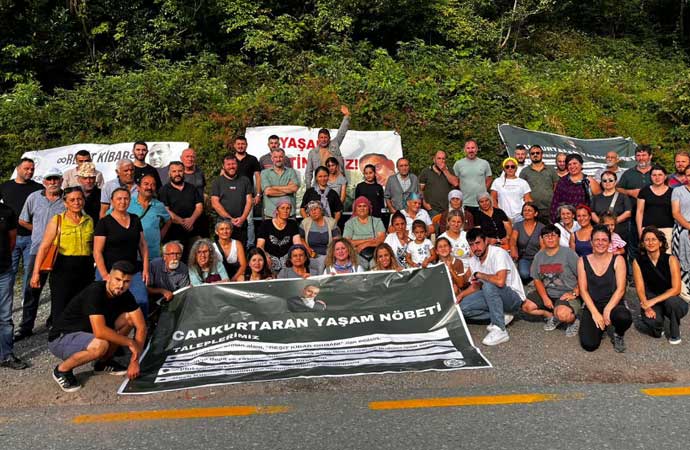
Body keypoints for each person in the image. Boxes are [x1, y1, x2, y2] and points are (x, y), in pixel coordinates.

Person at [48, 261, 147, 392]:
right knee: (101, 344)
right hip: (62, 338)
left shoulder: (126, 295)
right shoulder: (94, 292)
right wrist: (130, 342)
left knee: (129, 319)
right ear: (109, 277)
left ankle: (103, 363)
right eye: (117, 279)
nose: (121, 285)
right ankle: (61, 370)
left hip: (88, 335)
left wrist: (135, 361)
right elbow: (100, 332)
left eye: (126, 282)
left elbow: (141, 327)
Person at [31, 186, 94, 326]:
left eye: (79, 199)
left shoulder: (89, 220)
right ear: (65, 203)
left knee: (83, 304)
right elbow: (44, 247)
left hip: (85, 267)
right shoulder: (57, 220)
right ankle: (57, 337)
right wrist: (36, 273)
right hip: (63, 267)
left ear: (83, 201)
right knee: (61, 305)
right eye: (72, 200)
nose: (76, 202)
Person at [15, 167, 66, 341]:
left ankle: (54, 323)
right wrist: (38, 231)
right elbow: (23, 219)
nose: (53, 182)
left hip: (61, 251)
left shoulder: (67, 200)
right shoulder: (34, 198)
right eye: (49, 179)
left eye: (56, 179)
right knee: (32, 288)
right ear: (44, 182)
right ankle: (26, 326)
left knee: (58, 289)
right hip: (38, 250)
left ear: (61, 181)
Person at [456, 228, 525, 346]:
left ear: (486, 241)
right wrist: (460, 296)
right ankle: (501, 315)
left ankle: (500, 330)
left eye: (478, 243)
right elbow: (475, 286)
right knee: (461, 308)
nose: (475, 248)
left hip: (513, 298)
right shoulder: (474, 260)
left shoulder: (498, 253)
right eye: (471, 245)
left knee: (488, 285)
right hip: (492, 295)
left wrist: (479, 274)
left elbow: (500, 282)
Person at [93, 188, 150, 315]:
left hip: (132, 270)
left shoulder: (135, 219)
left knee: (142, 302)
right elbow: (97, 252)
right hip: (110, 270)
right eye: (119, 199)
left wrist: (146, 269)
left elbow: (142, 245)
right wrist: (105, 275)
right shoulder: (104, 223)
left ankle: (142, 333)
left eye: (126, 198)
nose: (122, 202)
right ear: (112, 201)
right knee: (107, 307)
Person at [578, 225, 632, 352]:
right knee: (589, 345)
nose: (600, 243)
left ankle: (618, 334)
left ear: (609, 242)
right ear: (591, 242)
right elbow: (583, 290)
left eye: (604, 240)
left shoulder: (618, 259)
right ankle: (600, 328)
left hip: (613, 304)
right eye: (597, 240)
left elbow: (621, 289)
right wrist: (595, 313)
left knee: (623, 317)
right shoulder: (582, 261)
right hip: (593, 304)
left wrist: (608, 309)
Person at [523, 225, 581, 336]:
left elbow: (582, 275)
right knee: (526, 306)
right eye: (546, 236)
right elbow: (537, 279)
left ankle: (574, 321)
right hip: (548, 292)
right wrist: (544, 298)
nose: (550, 238)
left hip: (565, 294)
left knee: (563, 315)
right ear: (542, 239)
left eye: (553, 235)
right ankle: (550, 316)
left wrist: (575, 292)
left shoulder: (569, 253)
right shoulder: (539, 256)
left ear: (559, 238)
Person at [633, 226, 688, 344]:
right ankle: (658, 327)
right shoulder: (637, 261)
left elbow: (676, 289)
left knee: (673, 303)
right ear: (642, 244)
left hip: (670, 298)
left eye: (654, 239)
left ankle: (675, 329)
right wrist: (646, 306)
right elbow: (640, 288)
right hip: (650, 298)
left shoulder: (671, 259)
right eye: (647, 240)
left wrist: (652, 302)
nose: (650, 242)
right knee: (653, 324)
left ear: (660, 243)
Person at [0, 158, 42, 305]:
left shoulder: (38, 188)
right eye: (26, 168)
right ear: (18, 169)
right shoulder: (5, 187)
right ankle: (7, 301)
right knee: (8, 272)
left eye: (32, 169)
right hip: (10, 237)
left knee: (29, 271)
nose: (29, 171)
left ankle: (26, 300)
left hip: (31, 237)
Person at [158, 161, 205, 262]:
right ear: (169, 173)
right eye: (174, 171)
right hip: (173, 234)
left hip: (193, 232)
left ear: (184, 172)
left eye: (180, 171)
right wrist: (183, 222)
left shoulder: (192, 188)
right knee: (175, 262)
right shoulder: (164, 190)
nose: (177, 174)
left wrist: (191, 220)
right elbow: (166, 210)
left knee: (195, 261)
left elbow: (199, 206)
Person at [0, 200, 27, 369]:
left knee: (4, 316)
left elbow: (12, 241)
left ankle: (6, 355)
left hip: (3, 271)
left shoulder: (7, 212)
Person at [617, 145, 654, 263]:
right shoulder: (628, 173)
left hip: (654, 216)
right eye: (638, 155)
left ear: (650, 156)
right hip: (632, 216)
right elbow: (618, 188)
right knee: (634, 247)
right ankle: (633, 276)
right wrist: (630, 192)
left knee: (654, 245)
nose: (641, 158)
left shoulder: (657, 172)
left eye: (644, 155)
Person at [211, 154, 254, 246]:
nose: (231, 166)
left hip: (241, 224)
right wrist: (229, 219)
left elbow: (249, 201)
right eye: (228, 164)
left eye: (233, 164)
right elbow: (215, 202)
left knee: (241, 251)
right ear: (223, 166)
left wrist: (242, 218)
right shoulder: (217, 181)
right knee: (222, 252)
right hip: (223, 224)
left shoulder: (245, 180)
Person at [304, 105, 350, 188]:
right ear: (318, 139)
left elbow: (341, 132)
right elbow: (309, 171)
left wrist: (346, 116)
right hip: (319, 184)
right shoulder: (313, 152)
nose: (323, 140)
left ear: (329, 138)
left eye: (325, 137)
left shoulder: (334, 145)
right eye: (321, 137)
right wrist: (308, 187)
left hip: (336, 183)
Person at [127, 174, 170, 259]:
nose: (149, 187)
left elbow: (169, 220)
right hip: (131, 253)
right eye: (146, 184)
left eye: (153, 185)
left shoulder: (159, 205)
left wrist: (160, 236)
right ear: (138, 188)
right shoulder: (127, 202)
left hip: (153, 253)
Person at [550, 153, 601, 223]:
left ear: (581, 165)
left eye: (575, 163)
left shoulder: (589, 181)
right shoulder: (562, 182)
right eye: (569, 164)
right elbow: (555, 203)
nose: (572, 166)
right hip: (565, 221)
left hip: (584, 220)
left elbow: (599, 201)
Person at [230, 136, 262, 247]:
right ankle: (233, 244)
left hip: (248, 196)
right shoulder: (230, 160)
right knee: (232, 221)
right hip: (232, 196)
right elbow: (222, 175)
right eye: (238, 144)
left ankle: (250, 245)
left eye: (242, 144)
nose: (240, 146)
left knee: (249, 222)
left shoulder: (252, 159)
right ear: (234, 145)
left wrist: (258, 194)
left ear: (246, 145)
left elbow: (258, 176)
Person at [257, 199, 302, 272]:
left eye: (288, 208)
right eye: (282, 208)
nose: (285, 211)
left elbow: (297, 244)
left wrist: (295, 256)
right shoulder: (266, 224)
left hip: (287, 258)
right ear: (277, 210)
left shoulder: (292, 224)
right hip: (270, 257)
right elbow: (260, 246)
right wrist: (265, 256)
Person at [452, 139, 493, 219]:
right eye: (468, 148)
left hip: (482, 204)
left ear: (477, 149)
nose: (471, 150)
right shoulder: (458, 164)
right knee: (467, 228)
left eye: (473, 148)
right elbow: (455, 181)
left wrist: (483, 191)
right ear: (464, 150)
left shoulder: (484, 163)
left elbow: (489, 179)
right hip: (465, 203)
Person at [636, 165, 673, 250]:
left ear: (665, 176)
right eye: (654, 175)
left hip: (667, 230)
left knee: (666, 257)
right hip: (648, 230)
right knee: (648, 257)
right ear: (650, 177)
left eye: (660, 175)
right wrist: (640, 231)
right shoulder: (644, 191)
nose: (657, 177)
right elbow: (639, 212)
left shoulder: (672, 192)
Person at [343, 196, 386, 269]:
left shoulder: (377, 221)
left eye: (364, 206)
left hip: (375, 254)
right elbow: (347, 242)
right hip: (357, 254)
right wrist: (369, 240)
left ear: (368, 208)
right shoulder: (350, 223)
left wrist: (365, 245)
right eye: (359, 206)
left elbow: (381, 239)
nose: (362, 208)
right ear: (355, 209)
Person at [520, 145, 559, 224]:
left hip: (550, 207)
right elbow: (521, 189)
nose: (535, 155)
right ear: (530, 156)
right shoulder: (524, 171)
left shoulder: (551, 170)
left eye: (537, 153)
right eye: (532, 153)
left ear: (542, 154)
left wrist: (551, 197)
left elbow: (556, 185)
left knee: (550, 231)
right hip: (532, 209)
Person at [299, 201, 341, 275]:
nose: (313, 212)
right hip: (311, 255)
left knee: (322, 262)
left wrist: (330, 254)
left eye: (315, 209)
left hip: (329, 254)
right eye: (310, 210)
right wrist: (307, 248)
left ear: (321, 210)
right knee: (320, 262)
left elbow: (336, 240)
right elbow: (300, 238)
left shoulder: (331, 222)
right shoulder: (305, 223)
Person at [590, 170, 632, 243]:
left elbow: (628, 212)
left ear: (615, 182)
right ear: (601, 183)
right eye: (604, 180)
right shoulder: (596, 198)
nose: (607, 182)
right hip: (601, 234)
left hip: (619, 233)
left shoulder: (623, 197)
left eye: (611, 180)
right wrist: (602, 224)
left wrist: (612, 223)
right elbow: (592, 212)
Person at [509, 202, 544, 283]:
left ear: (535, 213)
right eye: (525, 210)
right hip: (524, 257)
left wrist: (536, 263)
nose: (527, 212)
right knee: (524, 274)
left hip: (538, 257)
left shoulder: (541, 227)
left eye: (530, 210)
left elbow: (543, 247)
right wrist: (513, 248)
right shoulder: (518, 225)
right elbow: (513, 239)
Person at [261, 148, 301, 218]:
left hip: (289, 214)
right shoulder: (264, 173)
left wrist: (273, 187)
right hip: (271, 214)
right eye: (275, 157)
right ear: (272, 158)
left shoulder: (291, 171)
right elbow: (268, 192)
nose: (278, 159)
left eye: (281, 157)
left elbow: (294, 188)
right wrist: (288, 190)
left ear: (284, 158)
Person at [491, 157, 532, 223]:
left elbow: (528, 200)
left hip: (520, 216)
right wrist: (498, 213)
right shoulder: (497, 181)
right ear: (504, 169)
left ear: (516, 168)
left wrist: (527, 213)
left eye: (512, 166)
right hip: (503, 216)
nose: (510, 168)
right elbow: (493, 198)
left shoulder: (523, 182)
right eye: (507, 167)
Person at [419, 151, 459, 218]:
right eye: (439, 158)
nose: (441, 161)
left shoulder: (449, 170)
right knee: (435, 228)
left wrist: (444, 170)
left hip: (447, 208)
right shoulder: (426, 172)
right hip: (432, 209)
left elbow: (455, 183)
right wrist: (425, 203)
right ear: (434, 159)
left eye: (443, 159)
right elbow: (420, 189)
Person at [671, 166, 690, 297]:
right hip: (683, 229)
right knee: (683, 261)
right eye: (688, 175)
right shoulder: (678, 191)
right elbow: (676, 213)